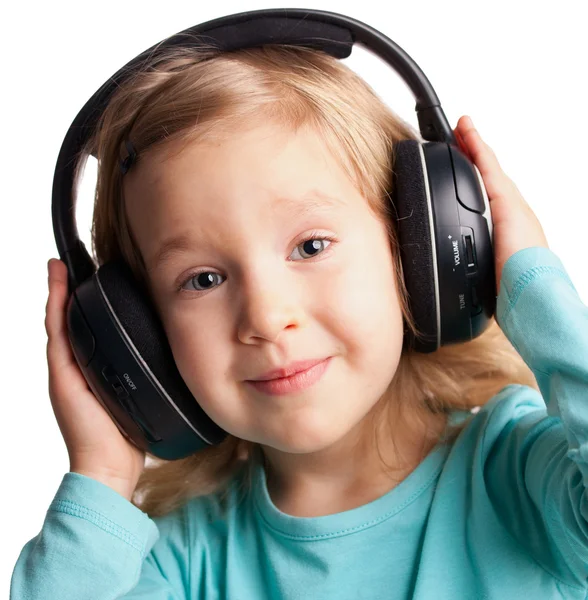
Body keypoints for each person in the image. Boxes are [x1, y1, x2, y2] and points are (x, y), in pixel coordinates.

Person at [10, 42, 588, 600]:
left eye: (311, 246)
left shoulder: (520, 477)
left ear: (420, 252)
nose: (265, 317)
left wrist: (531, 284)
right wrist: (104, 479)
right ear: (139, 340)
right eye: (203, 280)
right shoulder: (179, 560)